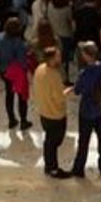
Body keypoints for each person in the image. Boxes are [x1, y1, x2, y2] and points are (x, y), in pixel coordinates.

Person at [68, 41, 101, 178]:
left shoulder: (84, 73)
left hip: (86, 111)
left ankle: (79, 168)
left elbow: (78, 91)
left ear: (86, 56)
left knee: (84, 141)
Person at [32, 47, 72, 179]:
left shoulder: (39, 69)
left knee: (49, 141)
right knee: (55, 141)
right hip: (55, 114)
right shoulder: (54, 75)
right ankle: (52, 168)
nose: (60, 59)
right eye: (58, 56)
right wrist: (68, 91)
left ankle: (49, 166)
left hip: (44, 111)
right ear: (51, 58)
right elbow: (59, 97)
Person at [0, 17, 33, 130]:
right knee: (22, 96)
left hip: (4, 70)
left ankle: (11, 119)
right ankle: (24, 121)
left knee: (9, 95)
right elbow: (22, 61)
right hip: (17, 72)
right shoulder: (18, 42)